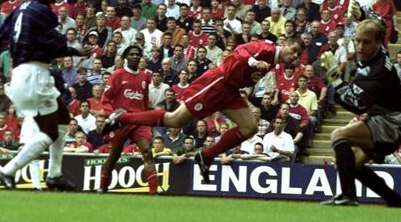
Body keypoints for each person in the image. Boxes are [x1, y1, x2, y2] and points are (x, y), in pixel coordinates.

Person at [103, 38, 304, 182]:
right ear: (284, 44)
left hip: (231, 91)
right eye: (293, 50)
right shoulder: (267, 48)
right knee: (174, 120)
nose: (294, 56)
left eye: (298, 55)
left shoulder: (273, 63)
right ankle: (124, 117)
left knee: (250, 127)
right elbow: (241, 50)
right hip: (217, 83)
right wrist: (252, 61)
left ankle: (206, 156)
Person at [0, 0, 91, 190]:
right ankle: (6, 171)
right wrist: (75, 49)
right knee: (50, 132)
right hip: (34, 75)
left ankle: (55, 174)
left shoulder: (20, 9)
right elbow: (55, 45)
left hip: (24, 74)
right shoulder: (44, 13)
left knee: (63, 116)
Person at [321, 16, 401, 207]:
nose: (360, 47)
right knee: (349, 165)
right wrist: (361, 14)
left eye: (366, 42)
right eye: (357, 41)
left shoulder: (375, 71)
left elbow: (358, 105)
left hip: (392, 121)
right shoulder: (381, 51)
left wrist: (336, 81)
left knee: (338, 135)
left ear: (377, 43)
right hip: (387, 116)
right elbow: (379, 24)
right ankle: (395, 201)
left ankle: (348, 196)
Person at [98, 45, 158, 194]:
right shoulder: (117, 75)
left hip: (139, 121)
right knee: (114, 156)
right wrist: (112, 115)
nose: (135, 57)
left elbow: (144, 101)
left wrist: (147, 120)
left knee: (147, 152)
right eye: (132, 54)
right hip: (121, 121)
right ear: (125, 57)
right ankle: (102, 188)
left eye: (138, 54)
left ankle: (154, 192)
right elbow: (106, 98)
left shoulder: (145, 77)